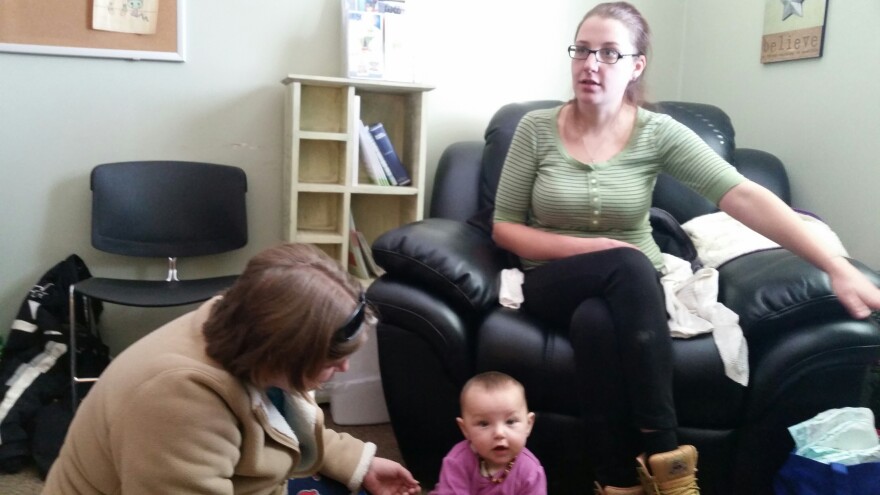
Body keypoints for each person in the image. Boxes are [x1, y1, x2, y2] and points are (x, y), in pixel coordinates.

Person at [490, 2, 880, 495]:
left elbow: (742, 195)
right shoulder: (534, 130)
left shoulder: (656, 132)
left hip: (630, 289)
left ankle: (614, 482)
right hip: (552, 279)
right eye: (583, 50)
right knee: (626, 265)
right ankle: (669, 462)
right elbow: (504, 228)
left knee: (596, 320)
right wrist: (598, 250)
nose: (591, 64)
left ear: (636, 65)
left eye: (609, 53)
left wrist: (834, 264)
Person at [43, 243, 421, 495]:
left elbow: (289, 424)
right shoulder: (177, 399)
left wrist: (358, 462)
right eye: (330, 359)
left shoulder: (249, 329)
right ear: (283, 353)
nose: (344, 366)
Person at [430, 371, 546, 495]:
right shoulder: (457, 461)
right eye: (484, 424)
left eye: (510, 421)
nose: (499, 433)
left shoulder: (531, 472)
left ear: (528, 425)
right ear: (465, 429)